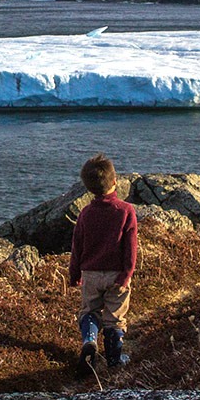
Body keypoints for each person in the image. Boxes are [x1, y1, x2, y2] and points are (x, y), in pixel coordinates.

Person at [68, 153, 138, 371]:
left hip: (90, 273)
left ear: (87, 187)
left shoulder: (86, 213)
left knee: (89, 311)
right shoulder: (126, 211)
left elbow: (76, 246)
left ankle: (89, 339)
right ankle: (114, 359)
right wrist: (127, 274)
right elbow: (131, 248)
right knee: (115, 318)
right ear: (115, 181)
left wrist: (74, 274)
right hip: (117, 274)